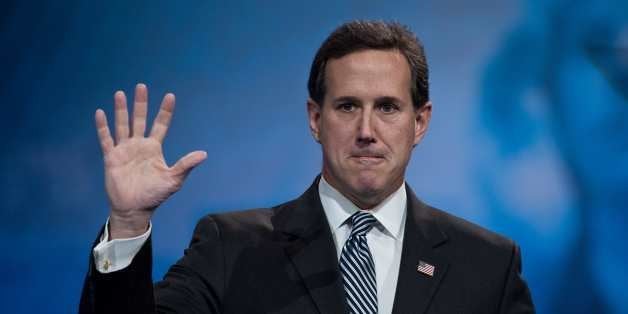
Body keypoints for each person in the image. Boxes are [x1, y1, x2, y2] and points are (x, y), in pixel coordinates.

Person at [79, 20, 535, 314]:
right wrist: (128, 221)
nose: (366, 130)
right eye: (347, 106)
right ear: (316, 119)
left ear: (420, 122)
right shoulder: (231, 249)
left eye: (389, 108)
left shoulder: (487, 265)